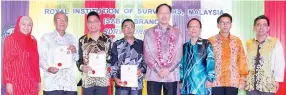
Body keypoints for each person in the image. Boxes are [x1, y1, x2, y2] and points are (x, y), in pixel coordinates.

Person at [144, 3, 183, 95]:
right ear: (157, 15)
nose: (164, 16)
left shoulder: (177, 32)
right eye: (161, 13)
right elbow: (147, 55)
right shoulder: (149, 32)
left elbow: (179, 54)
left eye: (167, 13)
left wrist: (168, 69)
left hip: (171, 75)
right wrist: (158, 70)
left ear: (170, 15)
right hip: (153, 74)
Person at [208, 13, 248, 95]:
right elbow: (207, 62)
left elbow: (242, 60)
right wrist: (208, 79)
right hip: (216, 82)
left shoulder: (237, 41)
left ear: (231, 25)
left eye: (227, 23)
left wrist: (242, 79)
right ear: (218, 25)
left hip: (233, 81)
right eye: (222, 23)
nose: (225, 25)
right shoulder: (211, 41)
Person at [39, 12, 78, 95]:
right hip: (52, 83)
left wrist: (74, 51)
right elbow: (41, 58)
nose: (62, 22)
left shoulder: (72, 38)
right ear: (54, 22)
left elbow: (77, 58)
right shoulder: (46, 37)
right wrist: (48, 68)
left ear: (67, 22)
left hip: (69, 84)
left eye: (64, 20)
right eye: (59, 19)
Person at [245, 15, 285, 95]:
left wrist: (277, 80)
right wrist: (244, 78)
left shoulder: (275, 42)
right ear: (254, 27)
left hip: (268, 84)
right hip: (251, 84)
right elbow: (244, 61)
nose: (261, 27)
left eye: (264, 25)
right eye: (258, 24)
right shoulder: (248, 43)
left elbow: (280, 62)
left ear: (268, 28)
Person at [77, 11, 112, 95]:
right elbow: (78, 59)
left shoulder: (107, 39)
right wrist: (82, 67)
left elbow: (113, 58)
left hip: (103, 80)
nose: (92, 24)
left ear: (99, 23)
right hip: (88, 80)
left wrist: (106, 55)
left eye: (95, 21)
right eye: (90, 22)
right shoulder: (82, 40)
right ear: (87, 24)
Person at [3, 16, 40, 95]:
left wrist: (38, 80)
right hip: (17, 81)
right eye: (24, 24)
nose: (26, 27)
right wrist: (8, 82)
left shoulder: (33, 40)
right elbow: (7, 61)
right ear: (18, 25)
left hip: (32, 82)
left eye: (29, 24)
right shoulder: (10, 39)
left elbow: (36, 63)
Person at [111, 19, 147, 95]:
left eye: (131, 26)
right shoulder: (117, 44)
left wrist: (141, 70)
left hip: (137, 84)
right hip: (121, 83)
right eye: (126, 26)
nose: (129, 29)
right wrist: (115, 78)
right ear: (122, 29)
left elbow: (146, 62)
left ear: (134, 29)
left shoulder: (142, 44)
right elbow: (113, 63)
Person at [180, 18, 215, 95]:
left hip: (202, 85)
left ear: (200, 29)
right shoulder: (184, 47)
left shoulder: (206, 44)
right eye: (191, 26)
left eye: (196, 26)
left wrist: (210, 79)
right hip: (187, 86)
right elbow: (181, 66)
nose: (194, 29)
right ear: (188, 29)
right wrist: (181, 80)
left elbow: (211, 62)